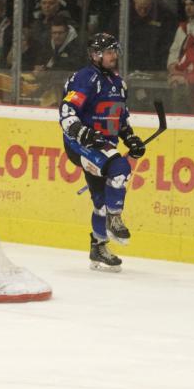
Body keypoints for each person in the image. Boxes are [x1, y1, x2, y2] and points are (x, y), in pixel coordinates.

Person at [59, 33, 145, 272]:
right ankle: (114, 220)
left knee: (101, 200)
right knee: (120, 169)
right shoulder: (85, 78)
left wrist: (130, 138)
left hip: (103, 145)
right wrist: (80, 132)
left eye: (114, 51)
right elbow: (67, 110)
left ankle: (98, 248)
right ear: (95, 55)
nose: (113, 56)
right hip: (81, 144)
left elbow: (121, 120)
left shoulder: (118, 83)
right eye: (108, 52)